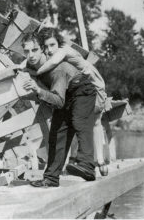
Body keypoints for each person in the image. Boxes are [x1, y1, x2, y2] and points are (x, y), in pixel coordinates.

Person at [21, 32, 97, 188]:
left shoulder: (56, 70)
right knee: (57, 134)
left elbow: (58, 101)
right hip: (66, 94)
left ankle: (87, 166)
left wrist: (39, 91)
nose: (31, 55)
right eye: (27, 51)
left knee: (79, 123)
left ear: (42, 49)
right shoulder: (33, 64)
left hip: (82, 90)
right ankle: (51, 178)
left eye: (35, 50)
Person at [35, 27, 109, 176]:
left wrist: (36, 73)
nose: (49, 50)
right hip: (81, 84)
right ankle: (98, 163)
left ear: (59, 43)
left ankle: (96, 162)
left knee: (92, 120)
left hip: (92, 82)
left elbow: (52, 63)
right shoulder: (59, 52)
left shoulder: (63, 50)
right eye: (46, 46)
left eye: (52, 45)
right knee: (90, 121)